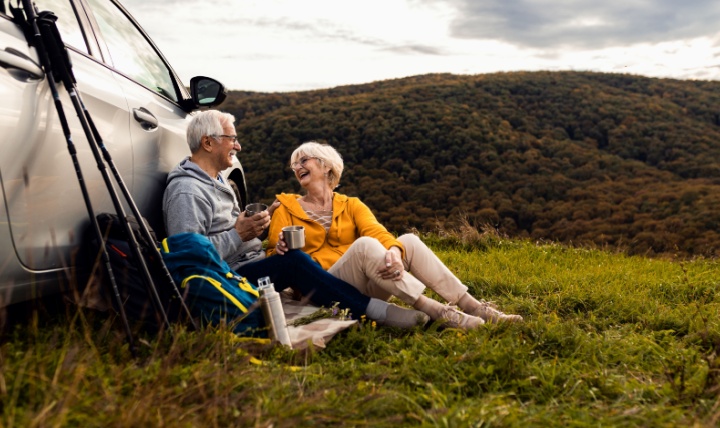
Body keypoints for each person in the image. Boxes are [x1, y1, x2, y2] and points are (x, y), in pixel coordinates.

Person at [163, 110, 428, 329]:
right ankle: (377, 313)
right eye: (231, 138)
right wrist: (238, 234)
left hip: (249, 264)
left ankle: (382, 306)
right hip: (228, 277)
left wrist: (258, 227)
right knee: (295, 262)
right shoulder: (186, 191)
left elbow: (232, 234)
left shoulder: (217, 180)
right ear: (208, 143)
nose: (238, 145)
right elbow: (189, 261)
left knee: (294, 260)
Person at [267, 141, 524, 330]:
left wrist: (394, 252)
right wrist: (279, 249)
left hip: (366, 281)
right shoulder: (285, 206)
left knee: (407, 241)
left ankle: (474, 306)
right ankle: (437, 310)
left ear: (325, 166)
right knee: (365, 245)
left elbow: (378, 232)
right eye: (294, 164)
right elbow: (274, 257)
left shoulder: (351, 204)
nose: (296, 167)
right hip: (321, 287)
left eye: (303, 160)